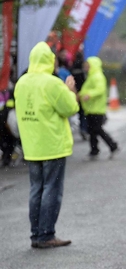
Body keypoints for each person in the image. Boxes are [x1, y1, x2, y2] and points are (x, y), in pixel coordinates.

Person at [14, 41, 79, 248]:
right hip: (52, 144)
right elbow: (70, 108)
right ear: (50, 61)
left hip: (32, 146)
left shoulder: (21, 83)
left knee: (36, 190)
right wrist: (69, 90)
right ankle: (46, 234)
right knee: (52, 189)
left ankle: (36, 234)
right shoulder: (52, 83)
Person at [78, 56, 119, 159]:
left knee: (97, 130)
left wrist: (88, 95)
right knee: (93, 131)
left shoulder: (97, 76)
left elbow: (99, 90)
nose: (86, 68)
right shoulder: (93, 76)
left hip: (96, 109)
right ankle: (94, 149)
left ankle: (112, 145)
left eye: (88, 66)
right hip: (92, 108)